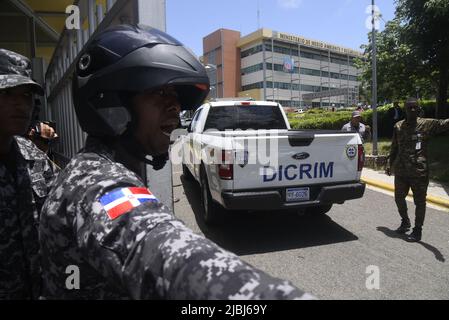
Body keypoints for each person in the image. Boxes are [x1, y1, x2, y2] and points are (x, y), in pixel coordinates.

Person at [39, 24, 312, 299]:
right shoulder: (96, 183)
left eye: (177, 97)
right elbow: (164, 253)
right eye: (160, 93)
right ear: (111, 101)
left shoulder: (99, 168)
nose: (176, 107)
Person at [0, 48, 59, 299]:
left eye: (26, 95)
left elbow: (66, 205)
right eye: (6, 93)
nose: (20, 104)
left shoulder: (33, 154)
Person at [386, 98, 449, 242]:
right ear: (405, 110)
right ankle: (405, 221)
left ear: (419, 109)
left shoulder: (426, 124)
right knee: (398, 198)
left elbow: (444, 123)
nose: (412, 110)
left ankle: (417, 229)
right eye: (410, 108)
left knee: (420, 202)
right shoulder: (398, 126)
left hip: (418, 172)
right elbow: (394, 147)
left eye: (415, 108)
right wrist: (390, 164)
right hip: (401, 171)